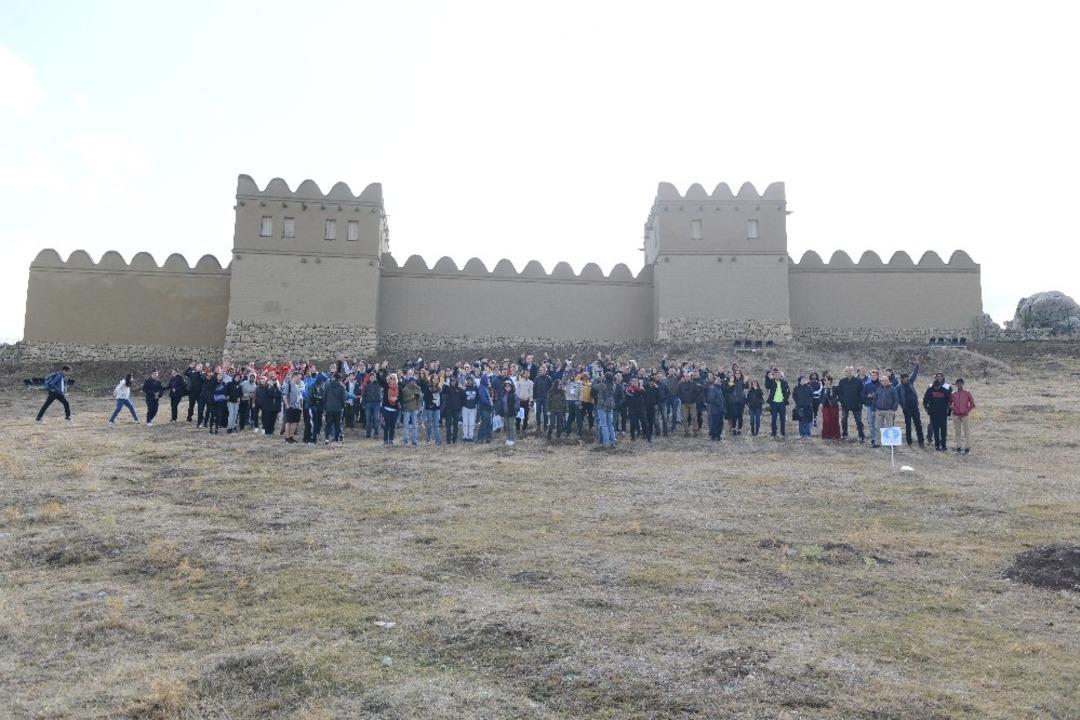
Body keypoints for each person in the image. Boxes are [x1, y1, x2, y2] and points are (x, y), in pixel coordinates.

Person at [897, 365, 925, 448]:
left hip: (915, 408)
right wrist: (903, 406)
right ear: (901, 379)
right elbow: (897, 398)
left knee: (918, 424)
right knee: (908, 425)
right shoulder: (898, 387)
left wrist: (916, 367)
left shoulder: (910, 382)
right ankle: (909, 442)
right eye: (905, 378)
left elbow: (914, 374)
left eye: (907, 378)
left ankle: (921, 441)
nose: (906, 379)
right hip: (907, 409)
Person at [923, 375, 952, 451]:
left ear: (940, 386)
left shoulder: (945, 391)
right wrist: (927, 409)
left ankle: (944, 446)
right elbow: (925, 400)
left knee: (943, 430)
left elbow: (949, 401)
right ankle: (937, 446)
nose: (936, 389)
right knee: (935, 430)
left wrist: (948, 412)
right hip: (933, 414)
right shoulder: (930, 390)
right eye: (935, 387)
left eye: (938, 387)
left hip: (943, 413)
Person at [837, 366, 865, 442]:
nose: (849, 372)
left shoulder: (858, 381)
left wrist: (860, 402)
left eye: (851, 371)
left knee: (858, 421)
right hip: (845, 405)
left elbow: (862, 392)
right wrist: (841, 402)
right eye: (847, 371)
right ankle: (844, 435)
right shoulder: (842, 381)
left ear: (853, 372)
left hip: (856, 405)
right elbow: (839, 393)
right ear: (845, 372)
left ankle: (861, 436)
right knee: (843, 420)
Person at [870, 373, 899, 448]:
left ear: (888, 381)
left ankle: (890, 443)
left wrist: (893, 410)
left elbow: (896, 400)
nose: (884, 382)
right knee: (878, 427)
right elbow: (875, 399)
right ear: (880, 381)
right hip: (879, 411)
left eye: (885, 380)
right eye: (882, 381)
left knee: (889, 427)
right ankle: (877, 443)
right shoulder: (878, 388)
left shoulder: (893, 389)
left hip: (889, 411)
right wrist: (873, 409)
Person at [950, 378, 975, 455]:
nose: (959, 385)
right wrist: (953, 409)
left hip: (965, 415)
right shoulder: (953, 393)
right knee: (957, 432)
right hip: (956, 415)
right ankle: (958, 448)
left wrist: (967, 410)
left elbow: (972, 404)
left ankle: (967, 449)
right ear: (955, 384)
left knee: (966, 432)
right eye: (957, 383)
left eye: (960, 383)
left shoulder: (967, 393)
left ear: (963, 384)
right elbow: (949, 403)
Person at [593, 372, 618, 447]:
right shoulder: (614, 385)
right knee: (610, 424)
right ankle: (613, 441)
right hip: (610, 406)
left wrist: (597, 379)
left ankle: (606, 442)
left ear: (605, 377)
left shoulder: (602, 385)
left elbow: (594, 386)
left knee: (604, 425)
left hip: (602, 406)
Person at [377, 370, 402, 446]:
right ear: (388, 379)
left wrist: (396, 398)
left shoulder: (399, 387)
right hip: (386, 408)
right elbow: (379, 379)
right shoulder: (386, 386)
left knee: (393, 425)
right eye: (391, 378)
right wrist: (381, 369)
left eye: (394, 378)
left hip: (395, 409)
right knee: (387, 424)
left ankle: (391, 440)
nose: (392, 379)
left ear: (396, 379)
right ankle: (385, 440)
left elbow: (401, 397)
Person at [323, 372, 348, 443]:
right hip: (338, 408)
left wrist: (325, 406)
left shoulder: (327, 386)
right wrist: (343, 406)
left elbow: (324, 397)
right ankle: (336, 438)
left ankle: (326, 438)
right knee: (337, 424)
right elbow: (343, 399)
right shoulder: (342, 387)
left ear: (333, 377)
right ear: (340, 379)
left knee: (328, 424)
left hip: (329, 407)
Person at [765, 368, 790, 438]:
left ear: (780, 376)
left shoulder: (784, 382)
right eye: (775, 375)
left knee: (782, 419)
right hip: (774, 403)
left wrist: (785, 399)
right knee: (774, 418)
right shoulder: (771, 382)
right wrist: (769, 378)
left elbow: (788, 391)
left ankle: (782, 432)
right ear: (773, 376)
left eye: (778, 375)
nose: (777, 376)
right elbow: (767, 386)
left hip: (782, 403)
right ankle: (774, 432)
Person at [399, 375, 422, 447]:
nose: (413, 382)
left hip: (414, 409)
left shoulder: (418, 388)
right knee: (406, 426)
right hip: (407, 409)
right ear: (409, 382)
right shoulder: (405, 389)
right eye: (412, 381)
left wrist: (418, 407)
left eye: (414, 381)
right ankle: (405, 441)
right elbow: (403, 400)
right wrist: (411, 398)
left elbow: (419, 399)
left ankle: (414, 442)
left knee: (415, 426)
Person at [677, 373, 701, 437]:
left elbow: (697, 393)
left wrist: (693, 399)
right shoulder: (680, 385)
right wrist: (682, 398)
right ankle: (686, 432)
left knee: (694, 417)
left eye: (688, 376)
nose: (687, 377)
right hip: (684, 404)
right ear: (684, 377)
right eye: (686, 376)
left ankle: (695, 432)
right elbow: (678, 393)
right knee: (685, 418)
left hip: (692, 403)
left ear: (690, 377)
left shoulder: (694, 384)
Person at [282, 371, 304, 443]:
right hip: (290, 407)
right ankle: (287, 438)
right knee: (288, 422)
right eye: (299, 377)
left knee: (295, 422)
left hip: (297, 408)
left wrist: (301, 407)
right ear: (294, 376)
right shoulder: (288, 385)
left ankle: (291, 437)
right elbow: (284, 396)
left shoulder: (297, 386)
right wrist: (287, 406)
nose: (300, 379)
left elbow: (300, 397)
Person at [441, 378, 465, 444]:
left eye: (454, 381)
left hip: (456, 409)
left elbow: (464, 397)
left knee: (455, 425)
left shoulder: (459, 389)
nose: (452, 382)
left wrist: (460, 406)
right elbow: (443, 392)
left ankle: (454, 439)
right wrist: (445, 385)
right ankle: (448, 440)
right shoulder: (448, 388)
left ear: (456, 381)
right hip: (448, 409)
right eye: (451, 381)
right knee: (448, 426)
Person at [862, 370, 882, 446]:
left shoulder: (881, 384)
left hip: (879, 407)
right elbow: (862, 394)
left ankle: (880, 439)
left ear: (878, 376)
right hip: (869, 406)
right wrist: (868, 396)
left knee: (879, 424)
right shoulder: (867, 385)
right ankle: (874, 439)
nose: (872, 377)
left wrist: (876, 395)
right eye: (871, 376)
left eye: (874, 375)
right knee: (871, 423)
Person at [820, 375, 841, 440]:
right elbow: (821, 397)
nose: (825, 381)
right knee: (826, 420)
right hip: (825, 406)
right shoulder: (823, 389)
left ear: (830, 381)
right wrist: (821, 403)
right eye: (824, 380)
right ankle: (826, 435)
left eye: (826, 380)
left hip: (834, 406)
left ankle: (835, 435)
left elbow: (839, 396)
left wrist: (837, 401)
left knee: (834, 420)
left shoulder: (834, 388)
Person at [362, 371, 382, 439]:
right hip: (368, 404)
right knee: (368, 419)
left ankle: (376, 433)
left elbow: (381, 379)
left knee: (376, 419)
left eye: (374, 376)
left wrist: (377, 372)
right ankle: (368, 433)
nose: (372, 377)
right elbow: (364, 395)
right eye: (371, 376)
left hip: (376, 404)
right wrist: (363, 404)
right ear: (369, 378)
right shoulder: (367, 386)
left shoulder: (379, 384)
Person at [499, 378, 519, 446]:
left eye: (508, 386)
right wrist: (501, 411)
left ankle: (512, 439)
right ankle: (508, 439)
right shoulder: (503, 394)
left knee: (511, 426)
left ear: (511, 387)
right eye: (506, 386)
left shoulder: (514, 394)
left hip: (512, 413)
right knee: (507, 427)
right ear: (504, 387)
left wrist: (515, 410)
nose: (507, 387)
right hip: (505, 413)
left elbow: (517, 403)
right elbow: (501, 403)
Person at [726, 369, 746, 436]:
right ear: (734, 374)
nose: (737, 374)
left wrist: (745, 382)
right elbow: (728, 390)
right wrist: (731, 383)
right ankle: (734, 428)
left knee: (740, 415)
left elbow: (747, 387)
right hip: (733, 401)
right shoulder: (731, 381)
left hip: (741, 401)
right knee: (734, 415)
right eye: (736, 373)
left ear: (740, 375)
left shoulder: (742, 381)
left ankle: (739, 429)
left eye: (739, 373)